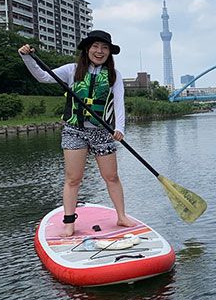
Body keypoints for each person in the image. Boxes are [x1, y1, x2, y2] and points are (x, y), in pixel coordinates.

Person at [18, 30, 135, 237]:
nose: (99, 51)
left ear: (109, 52)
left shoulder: (114, 76)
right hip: (75, 131)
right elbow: (43, 77)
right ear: (87, 49)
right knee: (73, 178)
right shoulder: (72, 70)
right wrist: (27, 57)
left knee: (112, 176)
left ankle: (121, 216)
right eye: (95, 47)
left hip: (102, 131)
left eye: (104, 47)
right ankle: (69, 223)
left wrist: (120, 129)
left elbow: (119, 104)